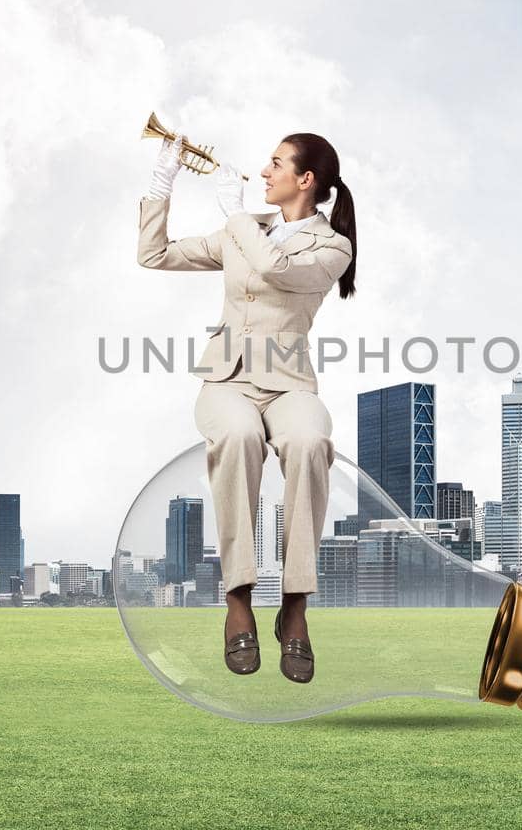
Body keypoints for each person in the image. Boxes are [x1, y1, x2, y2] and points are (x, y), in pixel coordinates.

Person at [137, 130, 358, 684]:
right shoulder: (246, 230)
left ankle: (296, 608)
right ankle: (238, 598)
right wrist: (161, 184)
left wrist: (235, 215)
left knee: (310, 442)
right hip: (228, 381)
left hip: (289, 386)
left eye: (276, 163)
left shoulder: (331, 248)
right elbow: (154, 254)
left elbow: (276, 269)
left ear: (305, 181)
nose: (264, 171)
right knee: (237, 438)